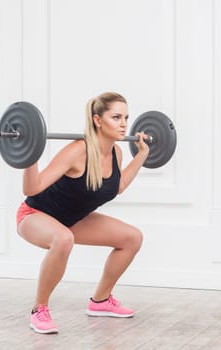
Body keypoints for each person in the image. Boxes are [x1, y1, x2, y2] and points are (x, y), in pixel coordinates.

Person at [16, 92, 149, 334]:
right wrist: (29, 153)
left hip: (72, 219)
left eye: (126, 117)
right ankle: (39, 309)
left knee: (132, 238)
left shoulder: (116, 153)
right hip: (35, 214)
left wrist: (141, 155)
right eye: (116, 117)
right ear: (98, 120)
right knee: (63, 239)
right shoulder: (78, 151)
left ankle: (100, 301)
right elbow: (32, 188)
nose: (123, 124)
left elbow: (116, 187)